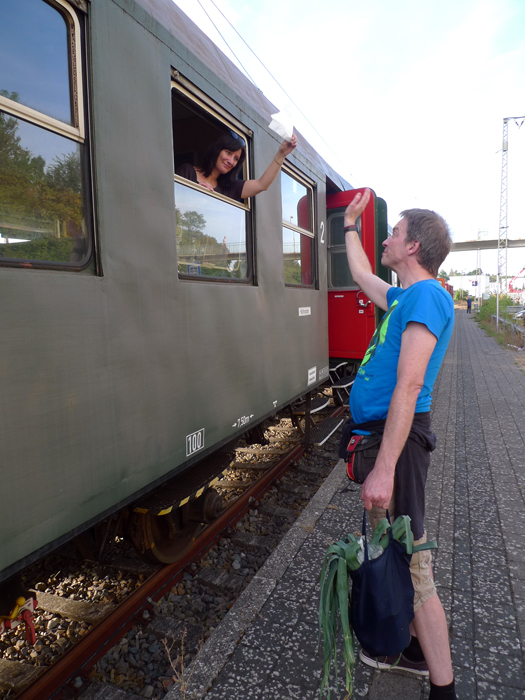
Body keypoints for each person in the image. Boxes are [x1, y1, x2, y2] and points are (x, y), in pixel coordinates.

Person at [339, 189, 456, 700]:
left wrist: (384, 468)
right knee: (397, 549)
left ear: (412, 247)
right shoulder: (406, 295)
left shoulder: (428, 296)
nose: (385, 239)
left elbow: (410, 385)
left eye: (393, 232)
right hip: (388, 436)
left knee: (412, 558)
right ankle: (410, 652)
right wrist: (348, 227)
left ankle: (443, 687)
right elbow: (364, 276)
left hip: (400, 442)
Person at [176, 131, 297, 202]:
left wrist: (281, 154)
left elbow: (262, 184)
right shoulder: (187, 171)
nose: (230, 161)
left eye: (236, 159)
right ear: (217, 150)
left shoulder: (229, 188)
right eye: (228, 152)